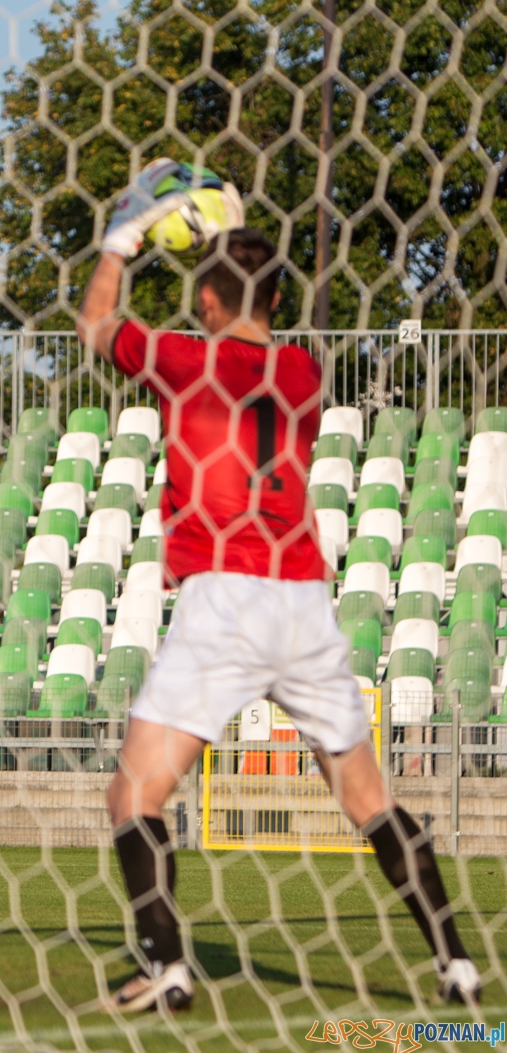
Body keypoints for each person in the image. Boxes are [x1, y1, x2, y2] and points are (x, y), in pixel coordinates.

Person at [77, 171, 481, 1010]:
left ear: (208, 301)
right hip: (299, 599)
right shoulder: (302, 370)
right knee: (367, 798)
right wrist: (231, 239)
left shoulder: (186, 358)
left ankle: (167, 965)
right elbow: (246, 314)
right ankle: (456, 963)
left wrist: (122, 240)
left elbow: (97, 326)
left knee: (135, 793)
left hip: (223, 596)